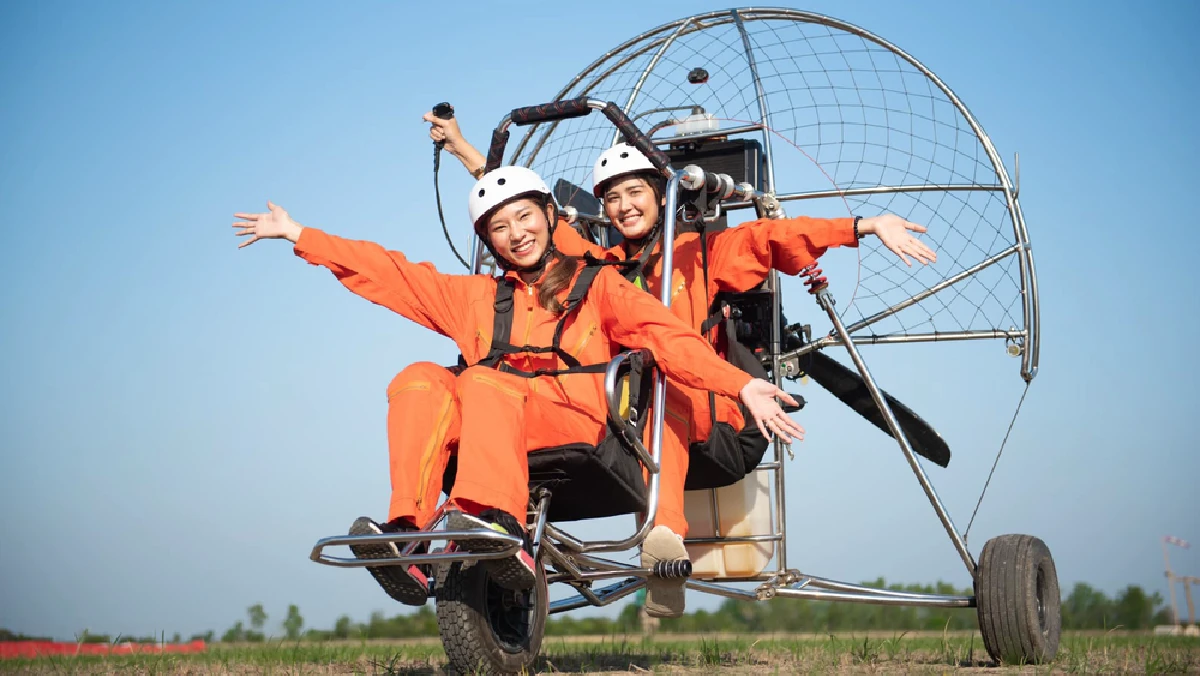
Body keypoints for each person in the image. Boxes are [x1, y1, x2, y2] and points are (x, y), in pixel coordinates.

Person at [427, 112, 937, 617]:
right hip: (620, 416)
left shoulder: (702, 254)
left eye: (635, 193)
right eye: (612, 198)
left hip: (709, 417)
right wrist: (463, 148)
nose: (624, 207)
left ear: (659, 195)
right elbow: (525, 218)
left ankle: (665, 543)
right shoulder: (595, 266)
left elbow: (770, 239)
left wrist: (865, 225)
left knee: (662, 387)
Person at [231, 165, 804, 608]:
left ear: (551, 217)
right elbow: (391, 273)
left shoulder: (597, 283)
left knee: (483, 381)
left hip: (582, 420)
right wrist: (300, 234)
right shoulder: (477, 298)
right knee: (420, 380)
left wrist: (739, 386)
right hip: (497, 430)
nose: (515, 234)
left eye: (524, 219)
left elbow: (666, 335)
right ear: (489, 239)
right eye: (499, 228)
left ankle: (500, 524)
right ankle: (408, 535)